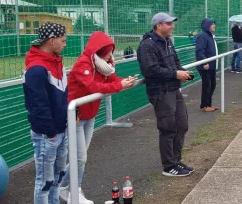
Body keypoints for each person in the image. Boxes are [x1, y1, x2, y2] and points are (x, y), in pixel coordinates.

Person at [59, 31, 136, 203]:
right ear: (99, 50)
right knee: (80, 157)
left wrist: (125, 82)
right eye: (107, 51)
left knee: (80, 156)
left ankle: (63, 187)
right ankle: (74, 190)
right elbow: (92, 86)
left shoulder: (103, 64)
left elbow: (113, 79)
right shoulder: (83, 63)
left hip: (90, 114)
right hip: (76, 115)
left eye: (111, 50)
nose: (110, 54)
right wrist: (119, 86)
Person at [137, 12, 194, 177]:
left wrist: (183, 72)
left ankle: (176, 160)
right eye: (169, 23)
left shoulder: (167, 41)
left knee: (182, 125)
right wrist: (175, 74)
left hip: (173, 89)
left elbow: (175, 62)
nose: (172, 27)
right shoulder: (147, 45)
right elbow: (150, 70)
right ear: (159, 25)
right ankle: (169, 166)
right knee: (168, 128)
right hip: (161, 92)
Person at [23, 22, 69, 204]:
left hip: (61, 130)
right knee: (44, 182)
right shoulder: (36, 68)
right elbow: (37, 105)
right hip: (47, 135)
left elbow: (65, 93)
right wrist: (49, 132)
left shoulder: (57, 62)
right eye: (63, 40)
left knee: (58, 176)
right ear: (51, 41)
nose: (65, 44)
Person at [195, 18, 218, 112]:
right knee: (207, 85)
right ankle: (204, 105)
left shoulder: (210, 36)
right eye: (212, 24)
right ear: (207, 26)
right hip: (205, 66)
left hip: (211, 66)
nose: (214, 25)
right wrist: (204, 62)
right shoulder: (202, 36)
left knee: (212, 84)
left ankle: (209, 104)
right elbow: (199, 51)